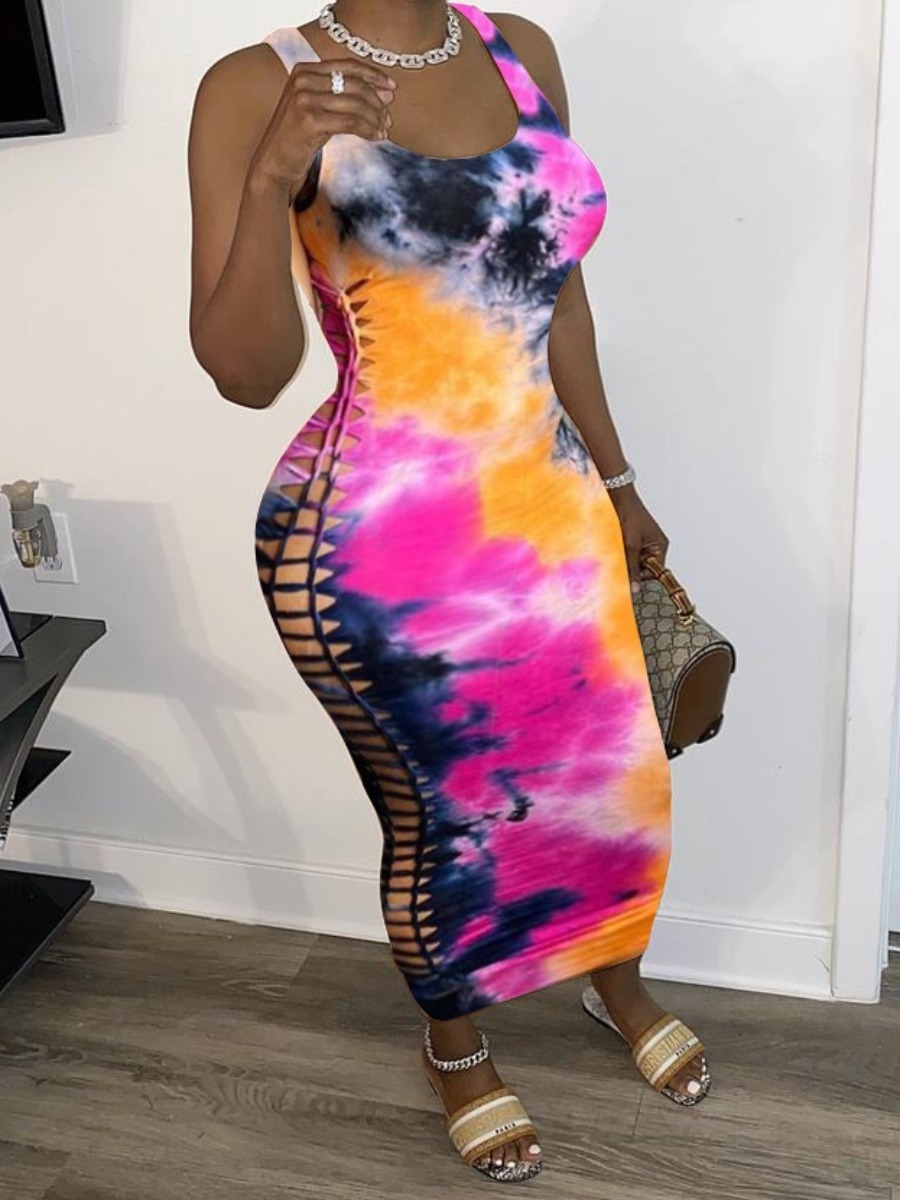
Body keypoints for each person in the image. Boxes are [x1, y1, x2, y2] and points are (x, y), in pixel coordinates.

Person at [187, 0, 710, 1183]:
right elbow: (245, 373)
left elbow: (559, 288)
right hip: (377, 537)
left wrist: (619, 479)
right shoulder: (250, 85)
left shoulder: (521, 48)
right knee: (447, 813)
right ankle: (456, 1048)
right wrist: (272, 175)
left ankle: (613, 983)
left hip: (551, 502)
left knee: (609, 780)